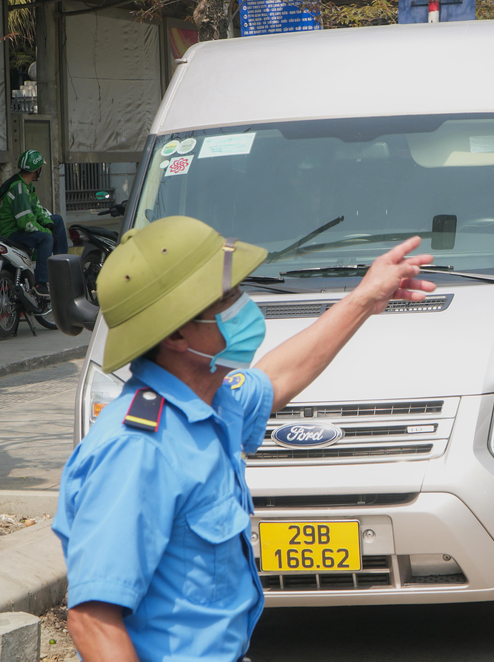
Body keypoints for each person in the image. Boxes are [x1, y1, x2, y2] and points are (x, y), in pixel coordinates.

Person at [52, 216, 435, 662]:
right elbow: (93, 621)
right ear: (177, 334)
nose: (244, 306)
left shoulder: (213, 398)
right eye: (228, 298)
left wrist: (364, 299)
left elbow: (277, 377)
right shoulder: (137, 448)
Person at [0, 149, 68, 297]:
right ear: (37, 170)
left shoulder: (26, 185)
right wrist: (48, 232)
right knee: (46, 239)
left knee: (57, 220)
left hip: (20, 226)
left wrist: (48, 223)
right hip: (12, 232)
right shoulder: (19, 189)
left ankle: (63, 267)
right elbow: (26, 222)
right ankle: (40, 283)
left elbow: (37, 210)